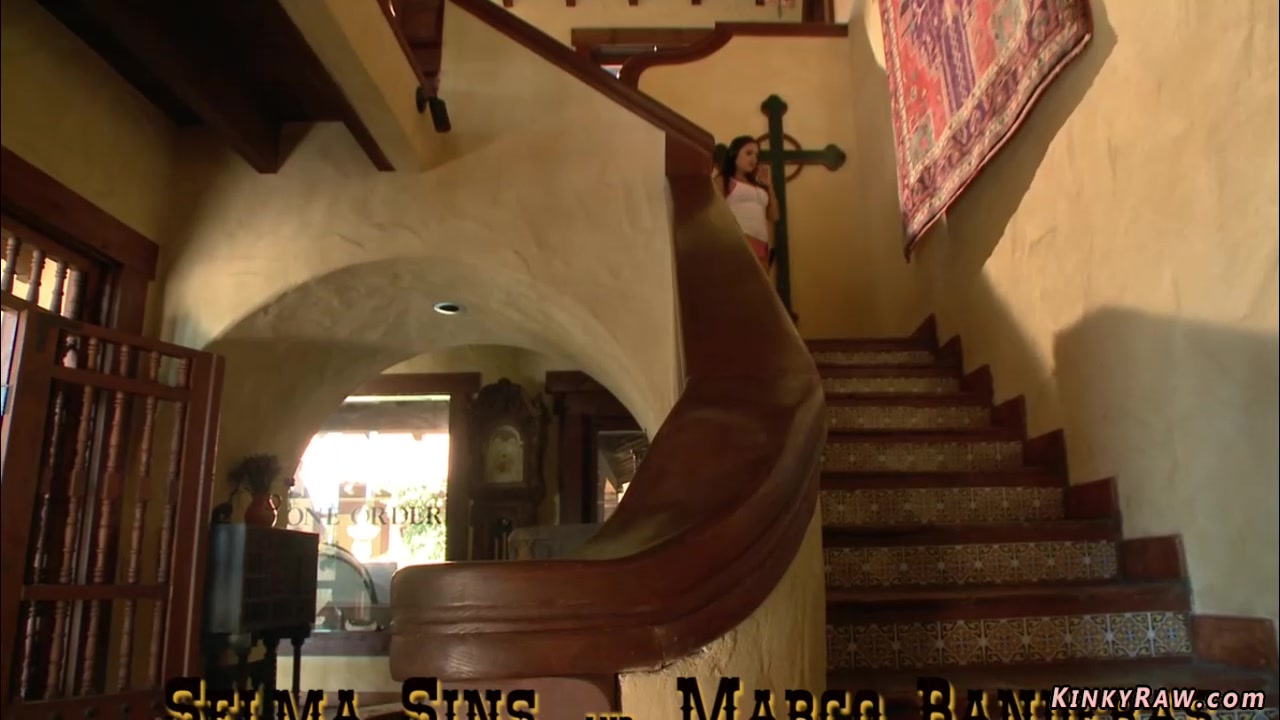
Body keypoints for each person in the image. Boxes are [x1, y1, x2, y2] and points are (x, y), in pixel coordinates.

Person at [716, 135, 779, 269]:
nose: (753, 159)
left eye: (756, 155)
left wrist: (769, 186)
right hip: (738, 243)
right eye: (748, 153)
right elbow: (714, 214)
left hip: (762, 245)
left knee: (760, 282)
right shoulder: (723, 180)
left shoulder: (759, 186)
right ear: (734, 154)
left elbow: (774, 215)